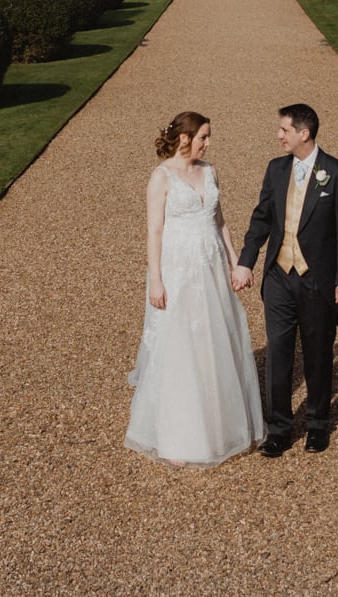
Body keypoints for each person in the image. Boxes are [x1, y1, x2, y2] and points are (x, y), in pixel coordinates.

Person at [125, 111, 265, 466]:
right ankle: (179, 436)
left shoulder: (210, 170)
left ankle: (220, 425)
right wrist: (156, 279)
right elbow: (154, 231)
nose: (209, 142)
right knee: (181, 344)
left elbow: (220, 221)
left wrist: (236, 261)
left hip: (212, 266)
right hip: (178, 269)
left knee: (215, 340)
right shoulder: (161, 177)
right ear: (184, 138)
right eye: (204, 136)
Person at [231, 102, 338, 456]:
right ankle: (280, 429)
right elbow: (260, 220)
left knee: (318, 354)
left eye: (284, 130)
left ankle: (317, 425)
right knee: (278, 355)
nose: (278, 135)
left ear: (304, 133)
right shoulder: (275, 170)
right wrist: (246, 262)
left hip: (318, 282)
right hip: (278, 280)